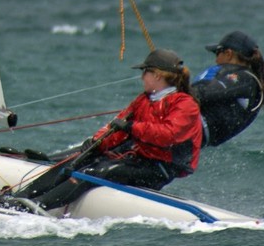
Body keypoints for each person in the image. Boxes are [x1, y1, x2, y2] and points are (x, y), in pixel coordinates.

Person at [14, 48, 203, 213]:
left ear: (157, 76)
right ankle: (21, 196)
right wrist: (97, 142)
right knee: (80, 159)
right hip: (139, 160)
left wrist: (131, 127)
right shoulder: (144, 99)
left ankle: (37, 205)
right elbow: (117, 126)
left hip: (161, 169)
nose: (141, 77)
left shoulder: (185, 104)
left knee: (99, 170)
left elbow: (168, 135)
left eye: (144, 72)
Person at [192, 30, 264, 147]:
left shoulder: (244, 79)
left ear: (229, 54)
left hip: (194, 129)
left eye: (217, 53)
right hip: (194, 131)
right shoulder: (241, 78)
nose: (216, 60)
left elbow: (204, 93)